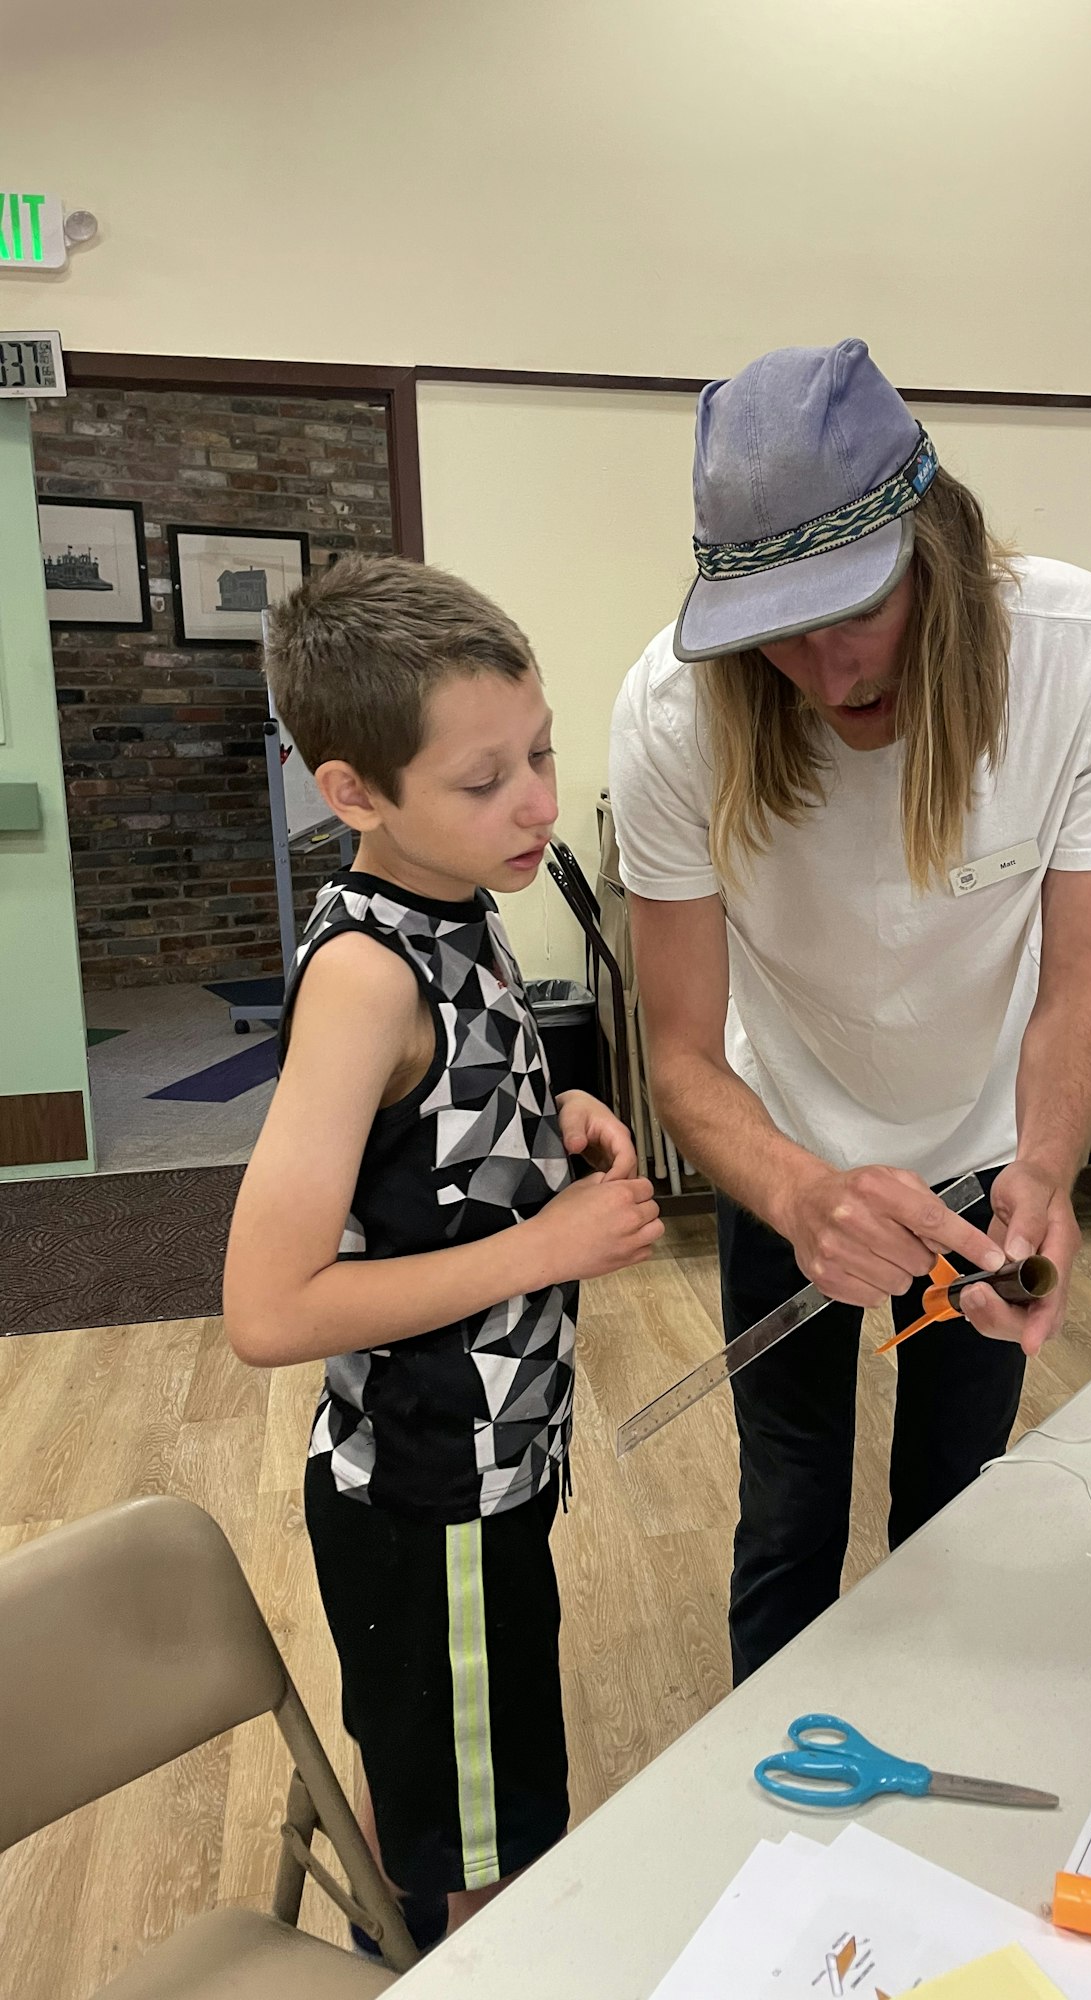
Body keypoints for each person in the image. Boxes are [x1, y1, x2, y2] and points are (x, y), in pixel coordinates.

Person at [609, 340, 1091, 1683]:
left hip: (981, 1160)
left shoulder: (1090, 658)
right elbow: (679, 1053)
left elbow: (1083, 986)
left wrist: (1043, 1172)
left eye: (850, 611)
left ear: (938, 550)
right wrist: (801, 1195)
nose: (816, 666)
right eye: (772, 631)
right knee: (791, 1503)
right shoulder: (676, 714)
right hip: (782, 1150)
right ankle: (765, 1829)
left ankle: (925, 1787)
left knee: (951, 1502)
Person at [223, 556, 663, 1950]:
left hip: (494, 1469)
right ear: (354, 791)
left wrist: (549, 1125)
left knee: (481, 1798)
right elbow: (269, 1305)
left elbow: (421, 1155)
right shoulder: (366, 975)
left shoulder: (459, 905)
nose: (535, 800)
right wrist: (546, 1242)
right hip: (430, 1496)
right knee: (483, 1865)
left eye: (538, 752)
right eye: (485, 781)